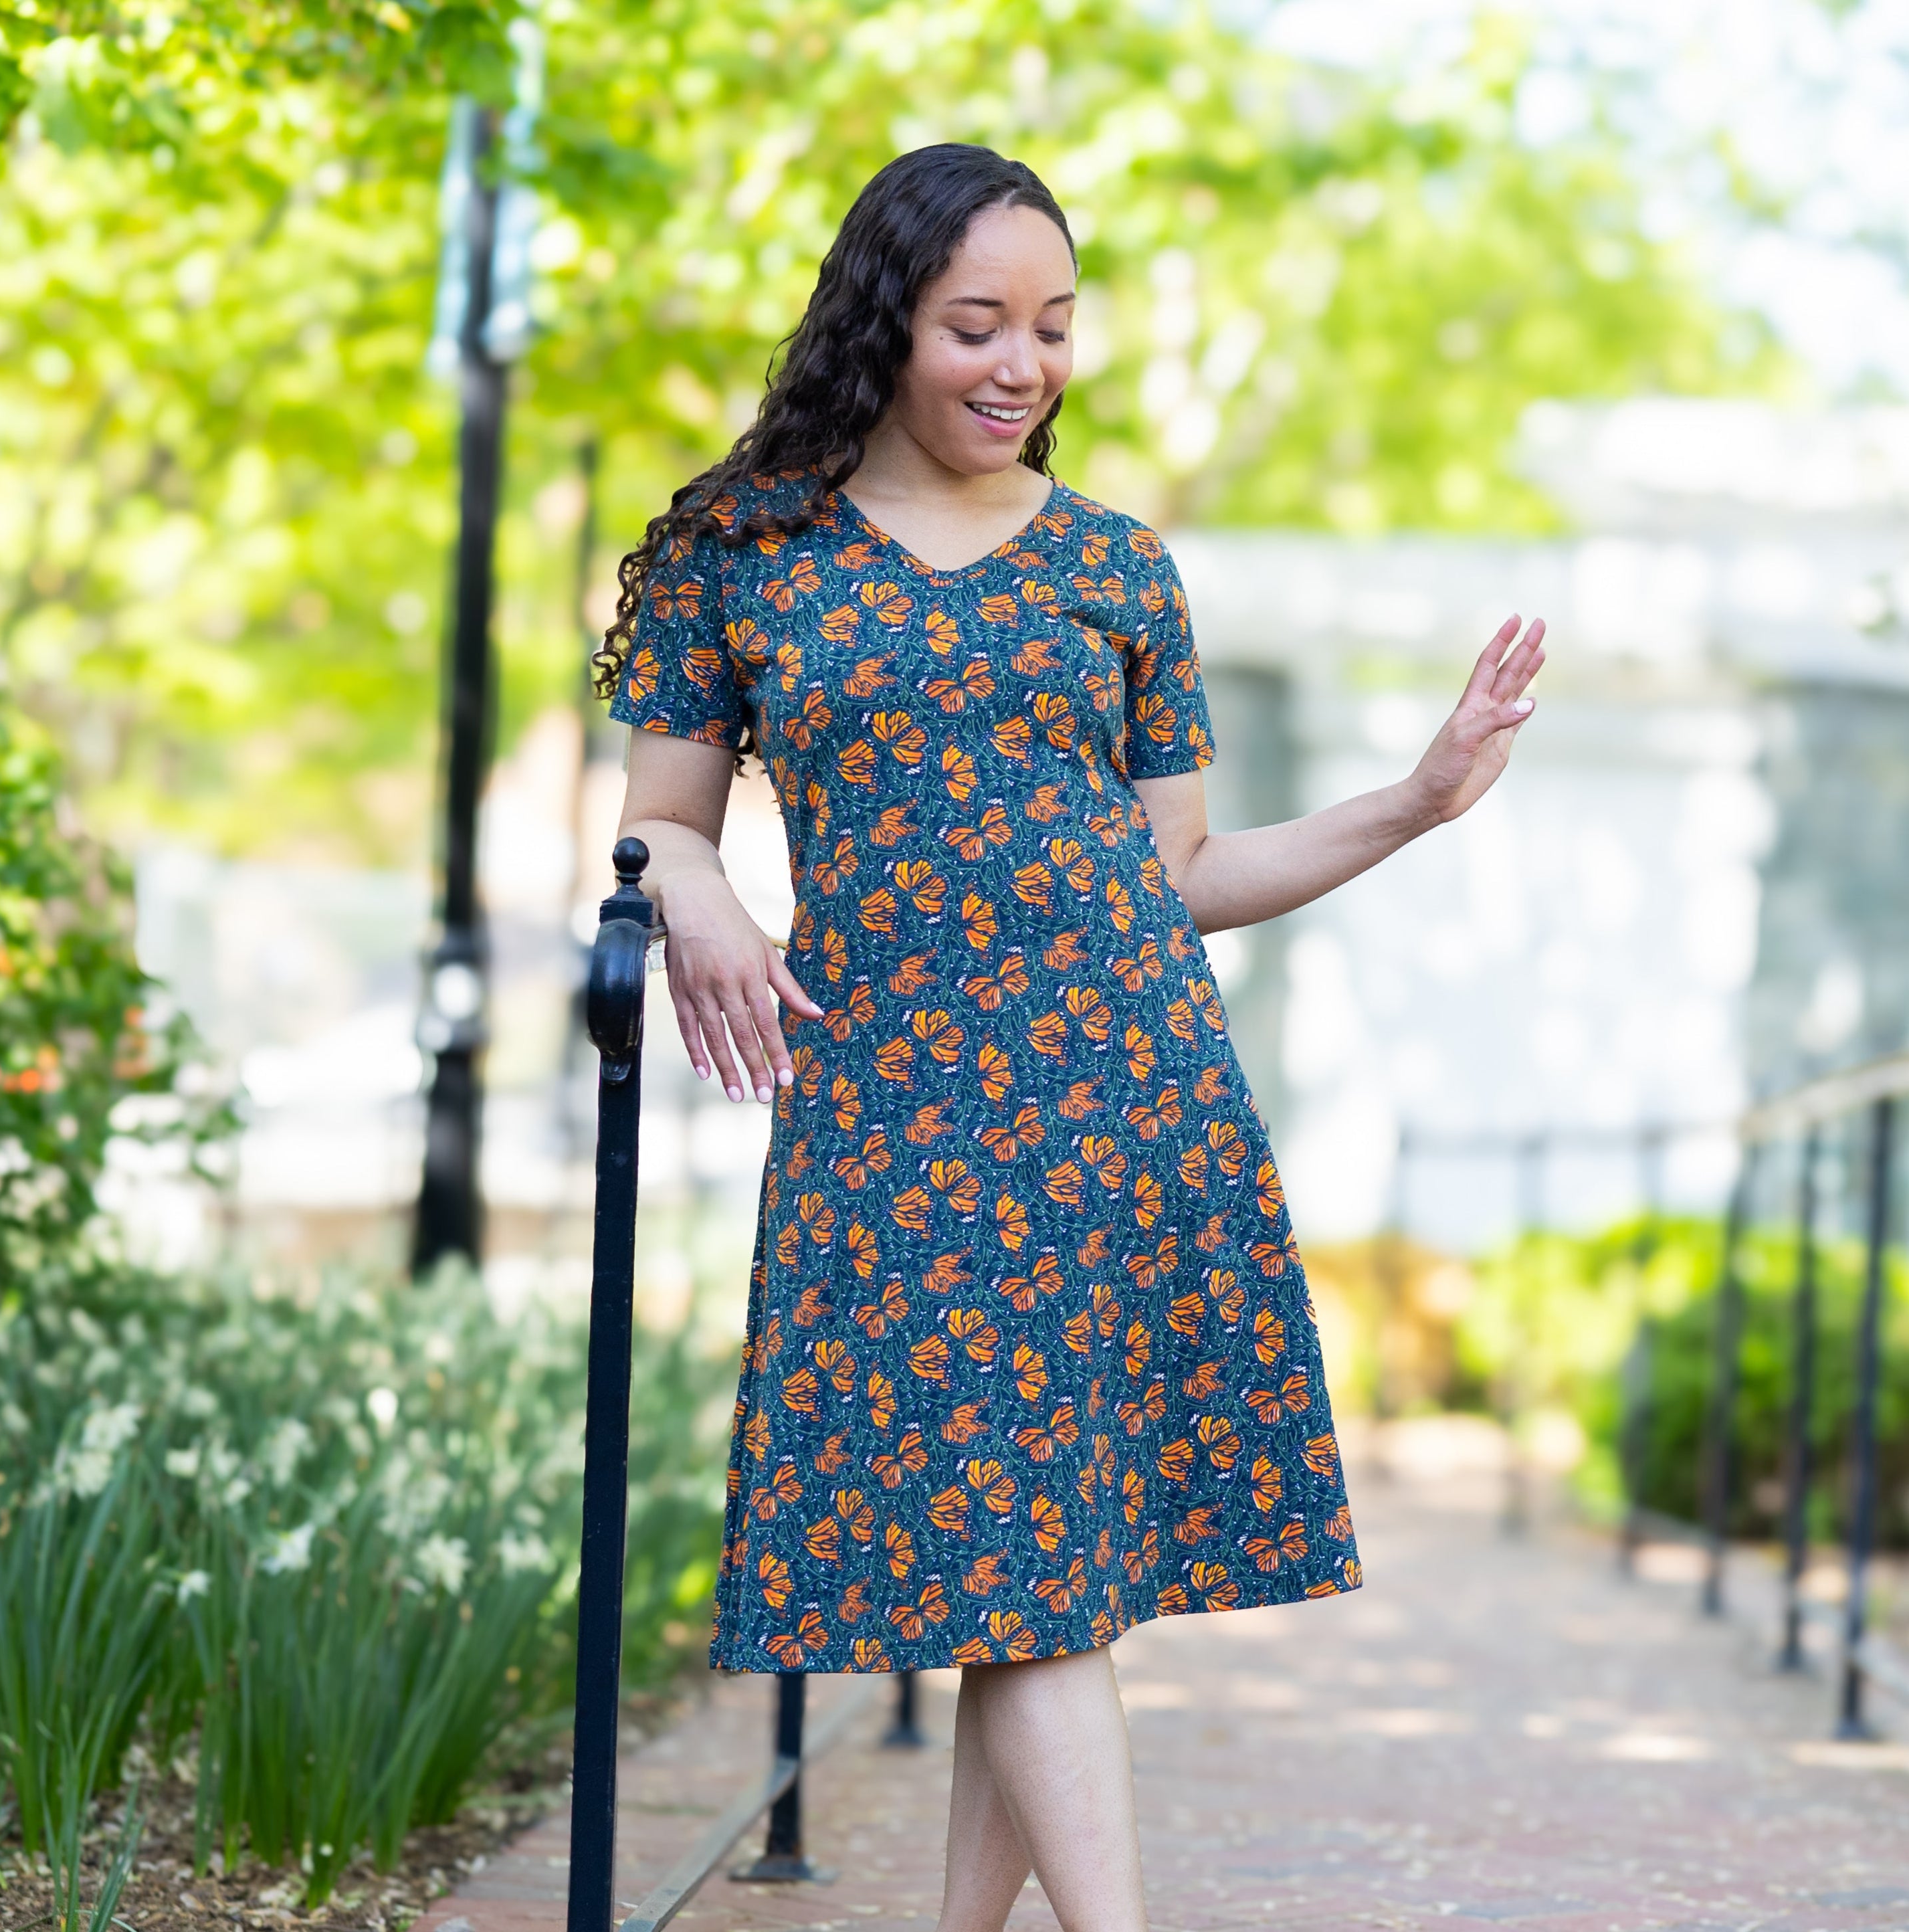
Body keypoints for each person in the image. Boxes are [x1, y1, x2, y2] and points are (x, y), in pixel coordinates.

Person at [597, 142, 1544, 1932]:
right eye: (976, 324)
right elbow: (663, 816)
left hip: (1122, 1099)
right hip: (895, 1112)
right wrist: (689, 881)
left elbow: (1184, 872)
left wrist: (1417, 801)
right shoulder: (740, 551)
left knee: (1020, 1584)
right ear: (884, 326)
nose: (1019, 364)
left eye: (1052, 327)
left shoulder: (1119, 566)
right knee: (1012, 1575)